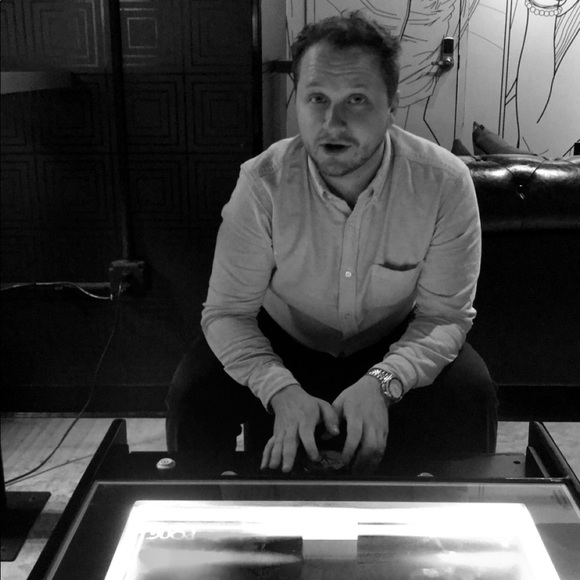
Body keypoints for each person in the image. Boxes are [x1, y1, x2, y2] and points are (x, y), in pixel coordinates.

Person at [166, 13, 498, 475]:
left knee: (472, 391)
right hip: (284, 338)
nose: (332, 122)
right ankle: (203, 509)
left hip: (391, 339)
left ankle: (457, 512)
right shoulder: (262, 183)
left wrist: (384, 381)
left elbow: (445, 316)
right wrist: (279, 388)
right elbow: (227, 313)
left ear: (391, 104)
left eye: (356, 99)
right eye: (317, 98)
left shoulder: (444, 183)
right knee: (193, 391)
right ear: (297, 100)